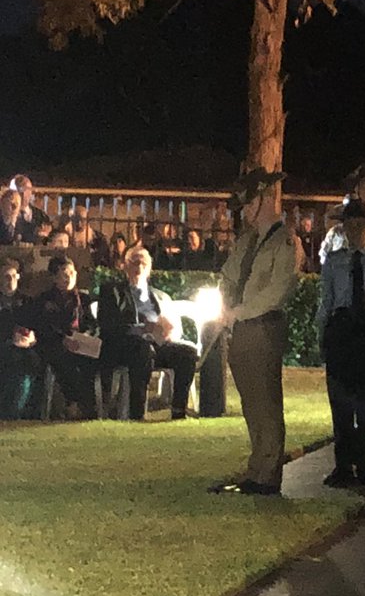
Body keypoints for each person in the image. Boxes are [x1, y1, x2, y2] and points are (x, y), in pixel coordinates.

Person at [212, 168, 300, 496]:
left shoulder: (284, 240)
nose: (246, 211)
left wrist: (239, 311)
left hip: (263, 326)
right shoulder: (248, 241)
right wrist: (226, 304)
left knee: (266, 402)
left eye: (250, 204)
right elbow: (229, 275)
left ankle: (268, 474)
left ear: (264, 199)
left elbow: (277, 290)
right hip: (241, 327)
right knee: (250, 402)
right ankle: (256, 467)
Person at [317, 200, 365, 487]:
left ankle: (364, 464)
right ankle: (342, 465)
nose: (353, 230)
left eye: (359, 224)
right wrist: (322, 335)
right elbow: (326, 302)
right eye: (348, 225)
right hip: (341, 331)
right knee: (340, 402)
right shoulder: (334, 260)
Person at [96, 245, 197, 421]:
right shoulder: (112, 292)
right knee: (143, 350)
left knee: (187, 353)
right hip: (125, 347)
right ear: (125, 266)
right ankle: (137, 412)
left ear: (149, 268)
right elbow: (108, 325)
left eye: (143, 263)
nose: (139, 267)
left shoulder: (160, 296)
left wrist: (169, 332)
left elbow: (174, 328)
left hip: (156, 344)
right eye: (134, 262)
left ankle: (178, 410)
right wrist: (141, 328)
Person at [28, 255, 99, 418]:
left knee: (91, 361)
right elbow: (44, 326)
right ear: (54, 277)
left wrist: (86, 335)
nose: (70, 278)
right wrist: (63, 339)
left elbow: (91, 323)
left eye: (72, 273)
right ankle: (73, 403)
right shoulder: (44, 300)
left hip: (79, 343)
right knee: (64, 359)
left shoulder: (83, 299)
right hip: (54, 344)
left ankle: (90, 405)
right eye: (64, 274)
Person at [0, 258, 40, 419]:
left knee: (26, 369)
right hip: (5, 346)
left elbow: (36, 325)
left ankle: (13, 413)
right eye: (5, 277)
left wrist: (31, 337)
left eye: (13, 276)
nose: (10, 281)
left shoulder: (27, 302)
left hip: (25, 350)